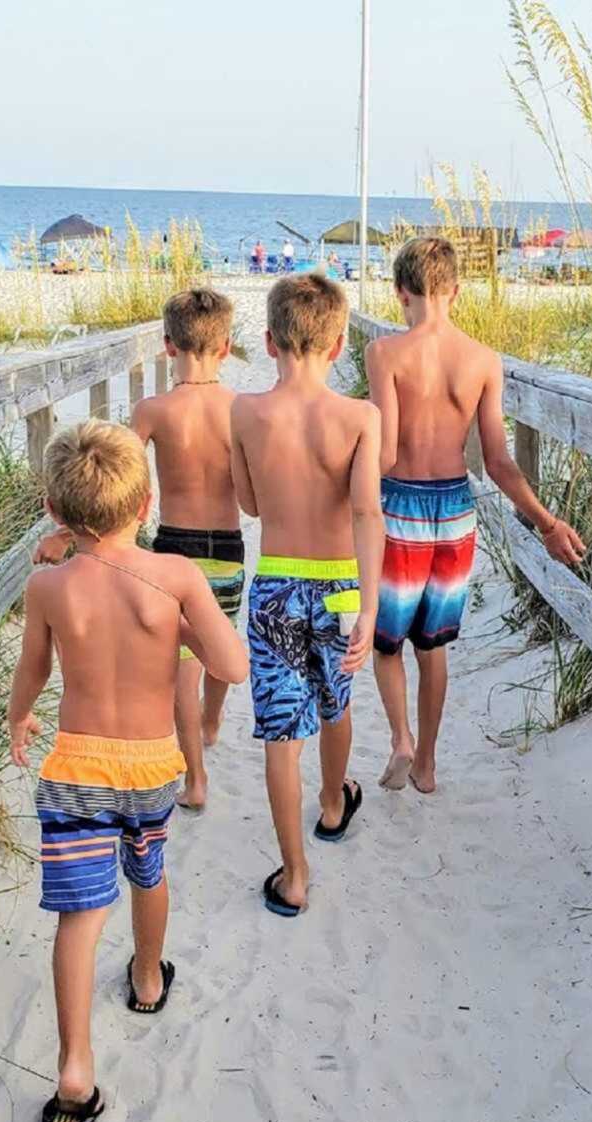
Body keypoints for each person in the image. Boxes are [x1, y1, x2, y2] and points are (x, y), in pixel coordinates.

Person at [9, 420, 247, 1122]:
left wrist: (22, 718)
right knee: (149, 870)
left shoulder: (47, 586)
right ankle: (148, 979)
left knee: (79, 916)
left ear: (55, 511)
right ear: (145, 507)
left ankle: (75, 1067)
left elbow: (34, 671)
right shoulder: (171, 577)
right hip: (148, 766)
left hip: (78, 764)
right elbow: (231, 666)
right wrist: (185, 633)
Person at [366, 236, 586, 795]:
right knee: (432, 644)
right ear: (456, 292)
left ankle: (401, 740)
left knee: (385, 641)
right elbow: (497, 462)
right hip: (456, 513)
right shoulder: (484, 360)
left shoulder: (385, 354)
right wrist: (547, 521)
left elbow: (386, 454)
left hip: (401, 509)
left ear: (400, 292)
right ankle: (428, 765)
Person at [34, 289, 241, 816]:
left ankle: (194, 779)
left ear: (168, 347)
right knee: (218, 646)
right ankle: (213, 720)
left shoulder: (154, 409)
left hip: (174, 545)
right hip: (228, 547)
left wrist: (66, 533)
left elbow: (114, 474)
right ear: (226, 346)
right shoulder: (240, 408)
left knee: (182, 671)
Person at [231, 273, 384, 917]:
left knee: (278, 734)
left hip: (275, 586)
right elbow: (367, 514)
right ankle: (331, 803)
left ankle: (294, 876)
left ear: (269, 341)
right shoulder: (359, 417)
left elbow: (248, 502)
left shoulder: (243, 411)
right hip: (342, 587)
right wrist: (370, 608)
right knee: (335, 702)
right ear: (341, 342)